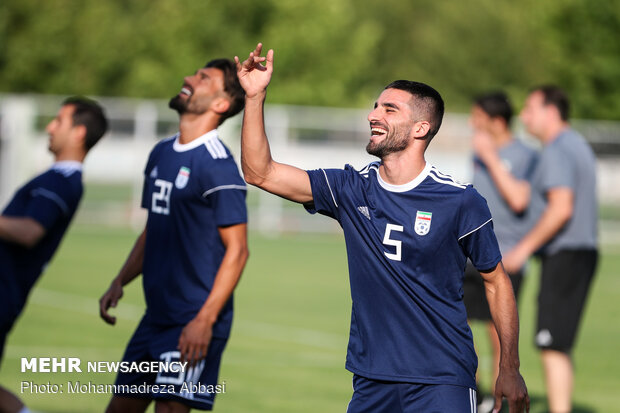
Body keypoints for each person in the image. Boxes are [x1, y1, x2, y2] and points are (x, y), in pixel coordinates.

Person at [235, 43, 529, 413]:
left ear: (421, 127)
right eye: (375, 106)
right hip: (371, 379)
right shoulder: (350, 187)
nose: (375, 115)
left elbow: (496, 281)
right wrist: (255, 96)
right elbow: (260, 172)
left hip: (442, 378)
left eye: (390, 109)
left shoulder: (460, 201)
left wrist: (510, 368)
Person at [99, 58, 248, 413]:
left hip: (192, 320)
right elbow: (154, 228)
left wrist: (204, 320)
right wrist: (121, 279)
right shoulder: (161, 152)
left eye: (203, 78)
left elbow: (238, 251)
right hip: (155, 317)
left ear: (220, 104)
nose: (188, 78)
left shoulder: (217, 164)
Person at [0, 97, 108, 413]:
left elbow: (30, 231)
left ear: (78, 133)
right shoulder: (57, 179)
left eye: (58, 120)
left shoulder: (62, 182)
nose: (49, 127)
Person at [503, 86, 598, 413]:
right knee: (557, 345)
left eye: (530, 108)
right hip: (575, 254)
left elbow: (560, 208)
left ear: (551, 111)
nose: (524, 116)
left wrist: (522, 250)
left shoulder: (558, 149)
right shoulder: (573, 145)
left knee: (552, 346)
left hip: (566, 253)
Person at [464, 92, 539, 412]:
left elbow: (520, 200)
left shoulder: (526, 155)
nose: (472, 123)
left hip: (504, 257)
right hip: (468, 253)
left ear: (496, 120)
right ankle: (473, 395)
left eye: (477, 117)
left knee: (499, 334)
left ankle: (498, 402)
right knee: (458, 329)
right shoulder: (477, 152)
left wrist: (491, 157)